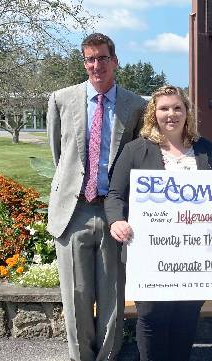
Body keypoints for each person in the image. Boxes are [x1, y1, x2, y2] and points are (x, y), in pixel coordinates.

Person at [104, 85, 212, 361]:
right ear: (153, 114)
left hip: (196, 253)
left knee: (186, 316)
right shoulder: (136, 150)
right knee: (152, 317)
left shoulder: (205, 150)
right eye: (164, 108)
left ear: (187, 112)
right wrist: (116, 222)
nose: (171, 114)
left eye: (177, 108)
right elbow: (115, 196)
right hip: (150, 251)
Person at [46, 33, 146, 361]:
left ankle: (107, 357)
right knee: (75, 298)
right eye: (90, 59)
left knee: (112, 300)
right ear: (84, 62)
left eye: (102, 58)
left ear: (114, 61)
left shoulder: (136, 106)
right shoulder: (61, 99)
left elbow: (137, 157)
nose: (96, 65)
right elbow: (59, 154)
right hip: (73, 211)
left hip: (114, 213)